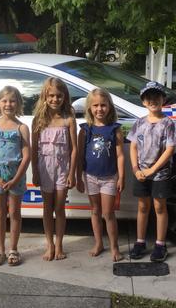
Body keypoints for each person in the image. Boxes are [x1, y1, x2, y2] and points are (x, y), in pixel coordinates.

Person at [127, 81, 176, 262]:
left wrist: (152, 170)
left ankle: (160, 244)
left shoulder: (168, 123)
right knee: (142, 206)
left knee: (159, 207)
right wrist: (136, 168)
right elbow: (133, 147)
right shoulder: (139, 122)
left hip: (160, 174)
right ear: (143, 101)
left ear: (163, 99)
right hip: (141, 173)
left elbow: (169, 149)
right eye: (149, 97)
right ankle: (140, 242)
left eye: (157, 96)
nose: (153, 100)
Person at [0, 86, 31, 266]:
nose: (8, 104)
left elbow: (27, 155)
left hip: (15, 176)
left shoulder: (22, 128)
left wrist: (16, 178)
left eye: (12, 101)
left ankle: (13, 249)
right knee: (0, 213)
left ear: (18, 103)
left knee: (15, 213)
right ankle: (0, 249)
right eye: (4, 101)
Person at [31, 77, 77, 261]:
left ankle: (59, 245)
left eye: (59, 96)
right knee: (46, 207)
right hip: (44, 169)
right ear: (45, 97)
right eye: (51, 96)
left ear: (64, 97)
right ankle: (49, 244)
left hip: (63, 169)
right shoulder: (38, 120)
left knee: (59, 207)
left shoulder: (69, 120)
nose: (55, 99)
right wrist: (34, 171)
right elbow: (34, 149)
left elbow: (74, 149)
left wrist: (72, 173)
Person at [76, 88, 125, 262]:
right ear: (89, 108)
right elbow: (80, 155)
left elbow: (120, 155)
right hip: (90, 177)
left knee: (108, 213)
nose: (99, 109)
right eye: (95, 105)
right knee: (95, 211)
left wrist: (121, 176)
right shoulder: (85, 129)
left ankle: (114, 246)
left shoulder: (115, 129)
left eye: (103, 105)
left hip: (109, 178)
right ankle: (98, 243)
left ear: (109, 107)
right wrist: (78, 177)